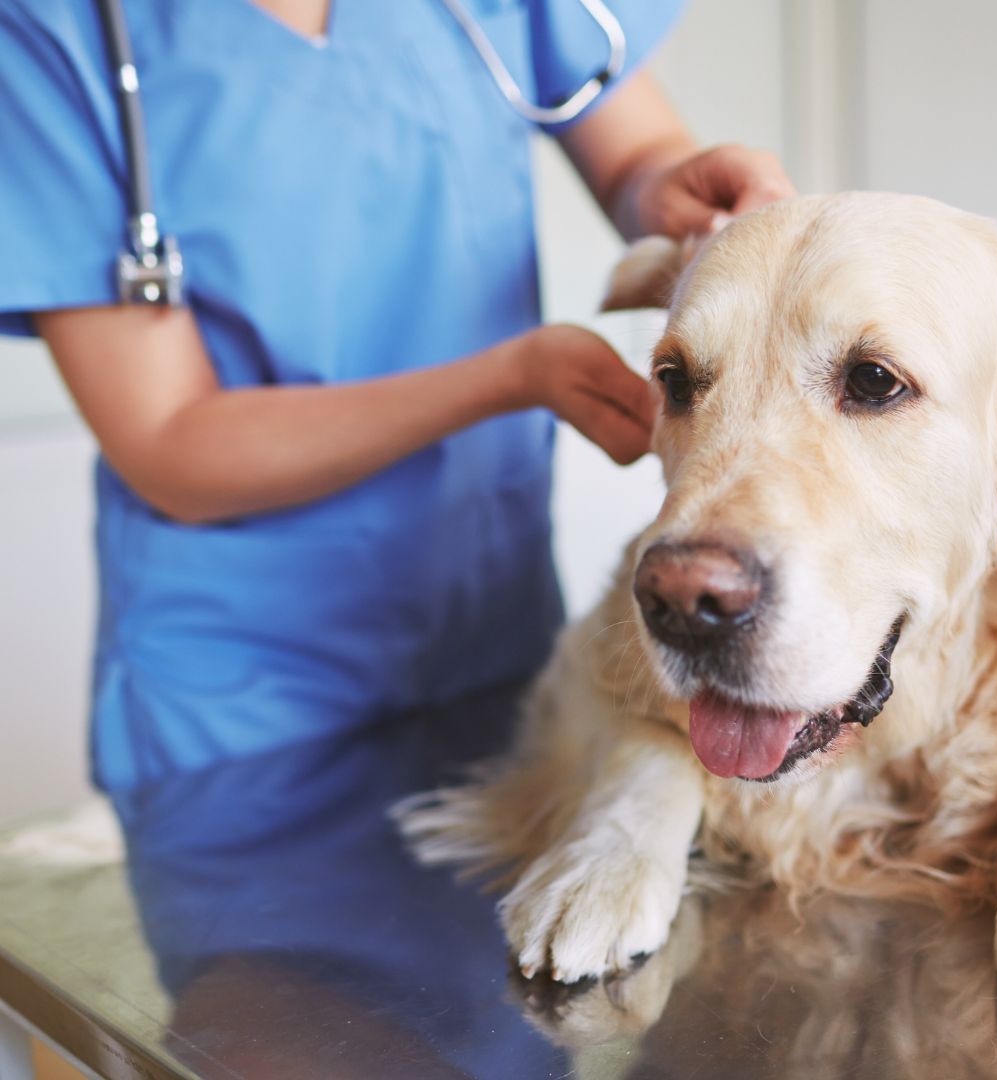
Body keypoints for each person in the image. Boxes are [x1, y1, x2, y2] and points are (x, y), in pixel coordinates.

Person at [0, 0, 796, 793]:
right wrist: (516, 376)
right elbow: (170, 440)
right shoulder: (52, 29)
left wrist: (662, 187)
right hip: (243, 698)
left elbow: (637, 156)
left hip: (495, 632)